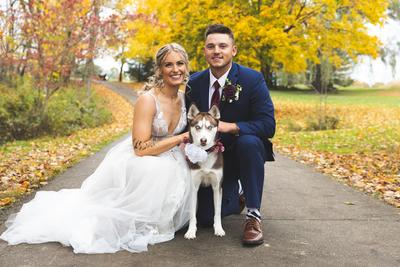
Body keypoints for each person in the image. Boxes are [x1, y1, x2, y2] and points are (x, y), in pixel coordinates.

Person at [1, 43, 192, 254]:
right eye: (168, 65)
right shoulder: (148, 100)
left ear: (186, 66)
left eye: (180, 63)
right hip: (146, 158)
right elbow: (140, 148)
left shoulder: (185, 99)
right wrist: (180, 138)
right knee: (154, 171)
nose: (175, 69)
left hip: (172, 157)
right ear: (159, 69)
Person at [185, 24, 275, 245]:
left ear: (233, 50)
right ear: (204, 51)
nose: (217, 51)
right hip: (208, 159)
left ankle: (253, 215)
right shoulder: (193, 82)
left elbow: (267, 125)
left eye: (223, 46)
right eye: (211, 46)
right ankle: (236, 196)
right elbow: (186, 122)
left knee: (250, 142)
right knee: (206, 218)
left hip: (239, 154)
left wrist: (232, 126)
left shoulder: (252, 79)